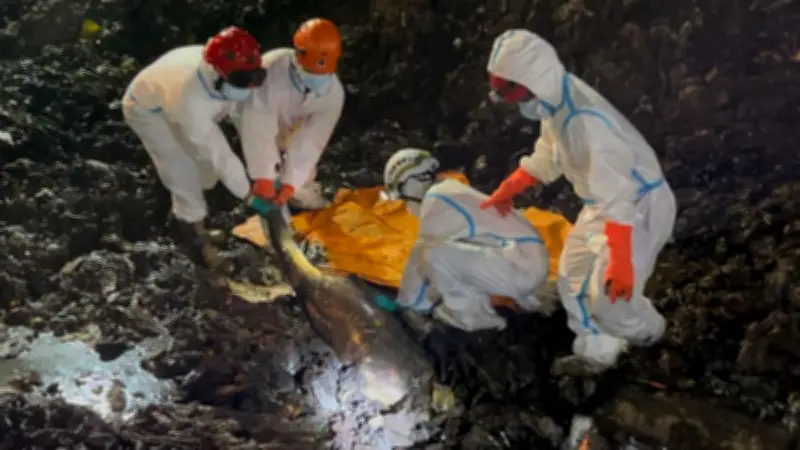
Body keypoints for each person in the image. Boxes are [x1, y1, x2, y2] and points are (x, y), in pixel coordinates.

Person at [481, 29, 677, 375]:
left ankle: (651, 337)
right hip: (602, 205)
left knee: (611, 297)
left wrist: (620, 261)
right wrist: (509, 189)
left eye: (507, 91)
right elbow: (549, 153)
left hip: (637, 205)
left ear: (531, 79)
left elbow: (619, 196)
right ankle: (598, 352)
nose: (504, 100)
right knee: (573, 280)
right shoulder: (556, 102)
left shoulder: (587, 123)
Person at [122, 26, 266, 274]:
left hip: (173, 99)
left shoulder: (225, 76)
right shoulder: (190, 100)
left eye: (257, 77)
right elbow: (219, 153)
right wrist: (249, 194)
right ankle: (193, 236)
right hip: (147, 110)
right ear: (217, 74)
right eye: (243, 81)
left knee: (207, 173)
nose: (250, 86)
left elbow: (243, 119)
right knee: (182, 169)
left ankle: (190, 218)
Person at [382, 148, 559, 333]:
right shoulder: (447, 190)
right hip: (523, 259)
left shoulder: (436, 199)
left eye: (402, 195)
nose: (405, 204)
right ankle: (522, 302)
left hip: (522, 267)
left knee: (436, 254)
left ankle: (476, 324)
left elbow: (422, 255)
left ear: (411, 182)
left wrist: (409, 306)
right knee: (446, 254)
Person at [237, 17, 345, 213]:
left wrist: (289, 185)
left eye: (322, 74)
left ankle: (296, 198)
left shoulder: (333, 94)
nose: (317, 79)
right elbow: (258, 126)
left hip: (294, 121)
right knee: (260, 168)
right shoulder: (270, 71)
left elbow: (313, 141)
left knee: (299, 183)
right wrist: (264, 177)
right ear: (298, 56)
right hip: (252, 114)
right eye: (311, 72)